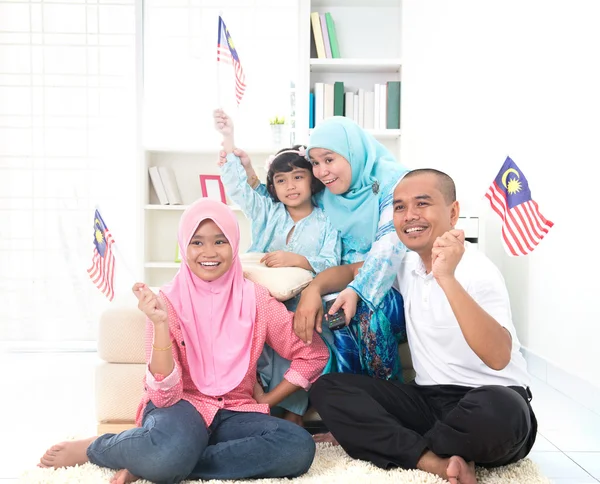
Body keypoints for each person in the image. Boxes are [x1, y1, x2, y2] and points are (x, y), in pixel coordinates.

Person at [39, 199, 329, 484]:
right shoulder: (166, 301)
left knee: (298, 446)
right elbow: (165, 396)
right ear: (184, 247)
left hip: (235, 412)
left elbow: (313, 353)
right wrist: (161, 323)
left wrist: (268, 399)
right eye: (197, 242)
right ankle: (101, 448)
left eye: (220, 241)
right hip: (181, 406)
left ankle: (154, 461)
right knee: (171, 448)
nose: (209, 252)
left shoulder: (256, 300)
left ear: (234, 244)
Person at [309, 169, 537, 484]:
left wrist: (446, 276)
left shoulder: (478, 270)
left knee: (503, 411)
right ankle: (433, 460)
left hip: (487, 398)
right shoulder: (404, 262)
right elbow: (351, 271)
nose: (409, 215)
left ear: (453, 212)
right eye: (400, 207)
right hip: (428, 400)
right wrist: (312, 291)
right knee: (328, 388)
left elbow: (498, 357)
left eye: (422, 204)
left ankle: (397, 443)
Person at [221, 116, 411, 384]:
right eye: (316, 163)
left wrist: (342, 289)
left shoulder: (393, 186)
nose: (322, 171)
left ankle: (387, 406)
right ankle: (343, 409)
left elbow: (384, 253)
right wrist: (246, 168)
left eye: (330, 159)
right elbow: (266, 196)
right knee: (326, 320)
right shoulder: (326, 194)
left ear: (352, 152)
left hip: (379, 286)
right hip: (327, 285)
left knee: (348, 316)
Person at [213, 109, 340, 425]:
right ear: (273, 187)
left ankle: (292, 413)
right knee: (260, 342)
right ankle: (261, 410)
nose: (291, 186)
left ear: (312, 180)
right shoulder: (267, 212)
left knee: (302, 333)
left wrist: (297, 260)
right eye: (281, 180)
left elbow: (333, 263)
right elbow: (239, 187)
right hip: (259, 302)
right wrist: (229, 139)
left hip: (303, 303)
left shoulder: (327, 222)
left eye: (298, 177)